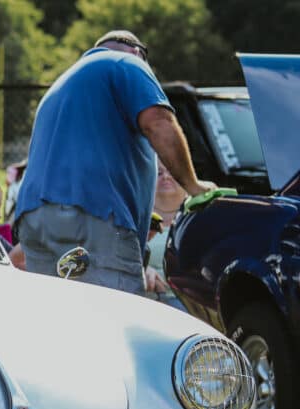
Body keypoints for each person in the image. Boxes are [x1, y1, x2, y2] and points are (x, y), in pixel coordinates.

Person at [12, 30, 215, 294]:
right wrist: (193, 185)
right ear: (137, 52)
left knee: (60, 316)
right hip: (93, 215)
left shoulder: (61, 85)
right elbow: (158, 122)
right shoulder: (127, 63)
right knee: (113, 316)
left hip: (34, 219)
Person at [145, 160, 189, 306]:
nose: (166, 177)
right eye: (159, 173)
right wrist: (142, 269)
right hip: (148, 302)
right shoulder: (137, 218)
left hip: (191, 305)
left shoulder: (199, 216)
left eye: (172, 171)